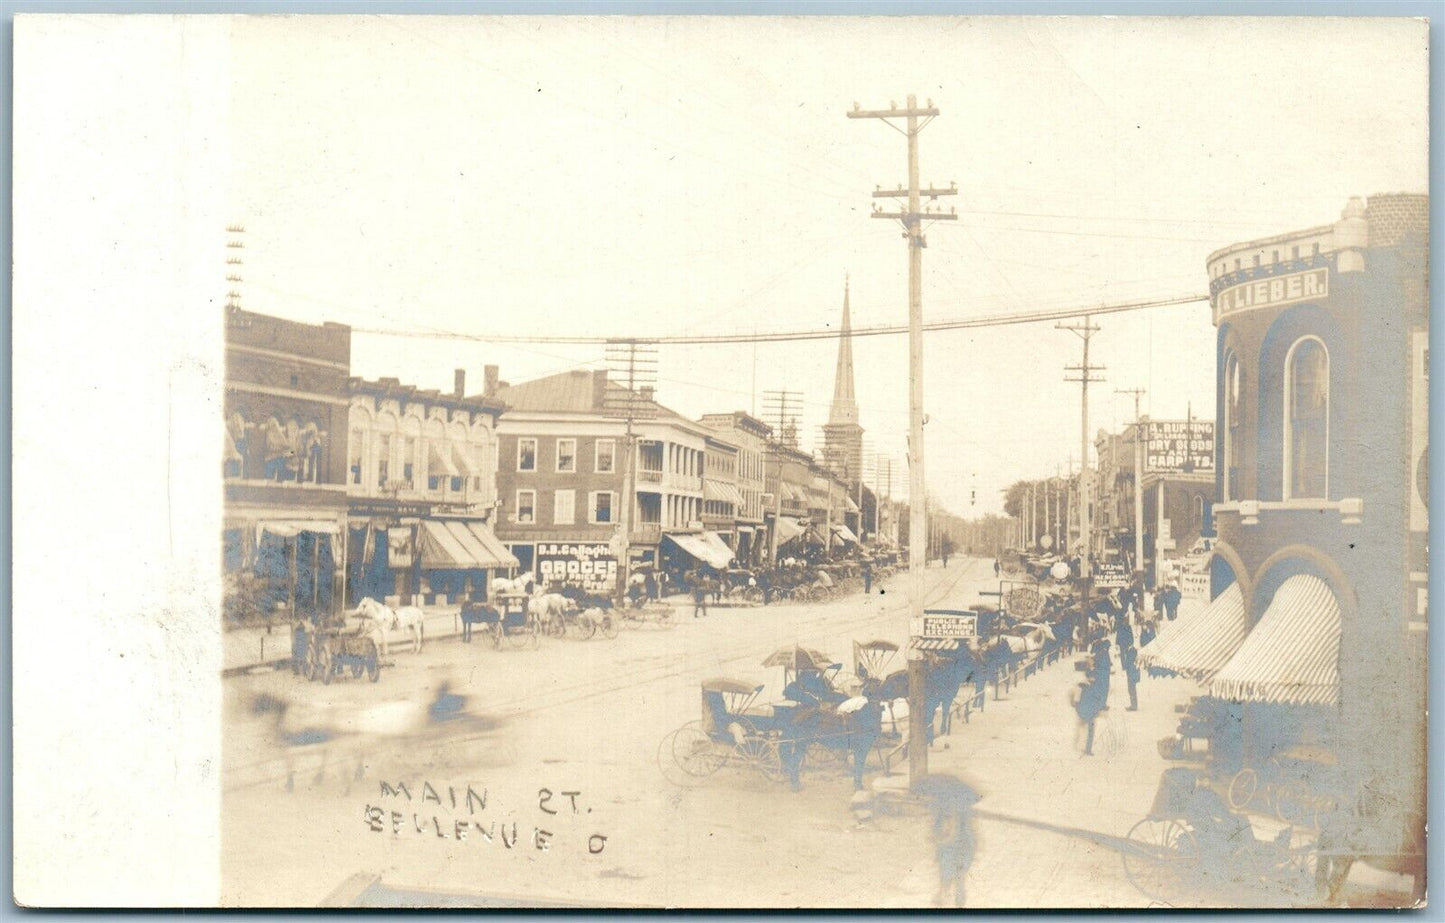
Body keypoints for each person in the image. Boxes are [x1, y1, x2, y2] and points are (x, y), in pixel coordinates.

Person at [1116, 619, 1140, 711]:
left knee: (1131, 689)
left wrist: (1125, 666)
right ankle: (1133, 705)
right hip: (1131, 673)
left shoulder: (1131, 652)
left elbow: (1131, 662)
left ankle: (1134, 706)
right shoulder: (1132, 650)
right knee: (1131, 689)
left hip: (1131, 674)